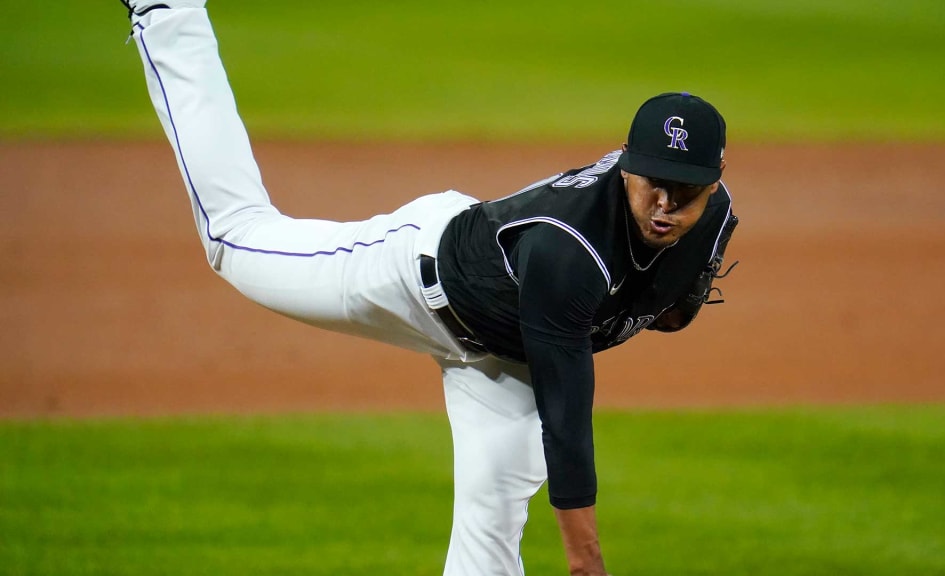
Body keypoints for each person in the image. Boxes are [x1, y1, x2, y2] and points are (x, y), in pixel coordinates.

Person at [118, 2, 739, 575]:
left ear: (714, 182)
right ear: (626, 161)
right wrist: (587, 562)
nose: (665, 203)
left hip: (502, 360)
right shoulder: (566, 251)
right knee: (235, 239)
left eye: (685, 189)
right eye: (653, 181)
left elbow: (663, 309)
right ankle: (168, 12)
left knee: (489, 539)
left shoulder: (711, 219)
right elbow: (567, 420)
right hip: (411, 275)